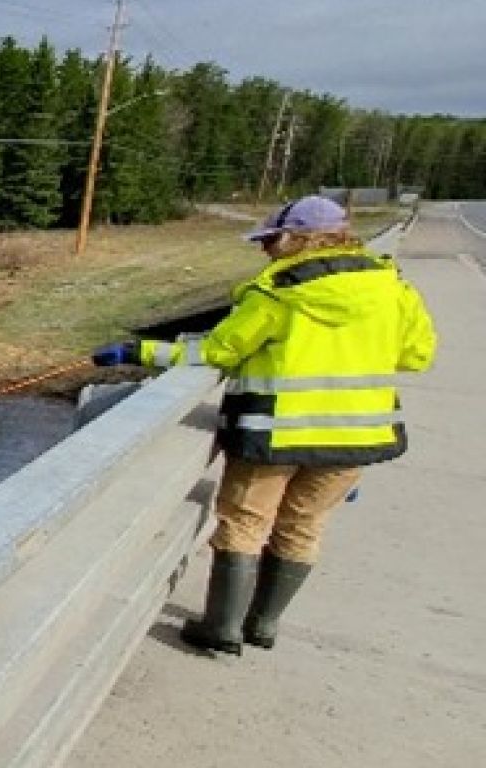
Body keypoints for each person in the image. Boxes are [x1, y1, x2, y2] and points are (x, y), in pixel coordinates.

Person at [91, 195, 437, 655]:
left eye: (271, 240)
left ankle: (222, 628)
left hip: (274, 433)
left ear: (300, 239)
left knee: (245, 521)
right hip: (354, 436)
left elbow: (217, 351)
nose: (264, 249)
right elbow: (417, 355)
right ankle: (264, 625)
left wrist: (140, 352)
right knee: (304, 525)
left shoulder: (278, 292)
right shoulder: (394, 288)